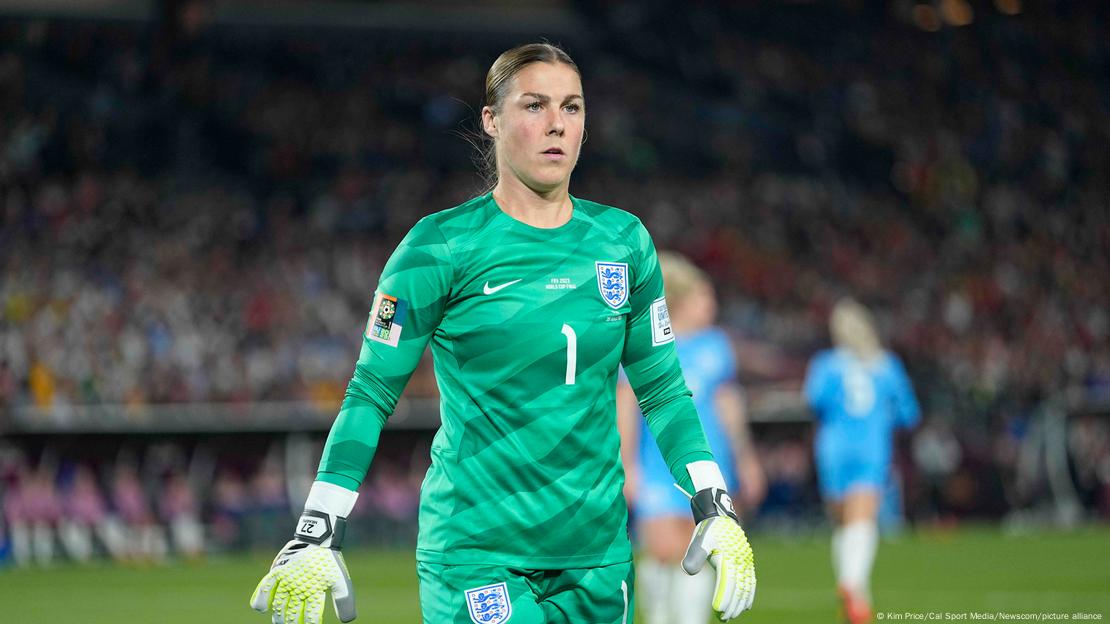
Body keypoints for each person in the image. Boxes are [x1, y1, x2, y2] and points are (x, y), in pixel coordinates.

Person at [250, 43, 756, 624]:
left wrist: (714, 501)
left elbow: (663, 392)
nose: (557, 124)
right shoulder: (438, 248)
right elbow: (370, 393)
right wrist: (319, 526)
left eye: (572, 107)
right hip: (477, 553)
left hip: (597, 557)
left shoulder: (624, 241)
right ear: (491, 120)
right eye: (534, 105)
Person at [617, 252, 765, 624]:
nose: (712, 305)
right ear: (682, 299)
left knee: (702, 545)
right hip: (656, 460)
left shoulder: (716, 346)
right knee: (662, 548)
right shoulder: (645, 345)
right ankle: (659, 615)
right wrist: (628, 464)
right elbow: (626, 405)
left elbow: (730, 408)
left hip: (708, 459)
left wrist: (745, 459)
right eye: (705, 296)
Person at [803, 298, 920, 624]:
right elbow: (909, 414)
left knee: (843, 521)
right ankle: (854, 584)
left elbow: (813, 401)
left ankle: (854, 593)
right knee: (862, 520)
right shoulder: (886, 365)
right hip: (871, 447)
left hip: (834, 448)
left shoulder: (825, 364)